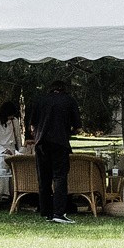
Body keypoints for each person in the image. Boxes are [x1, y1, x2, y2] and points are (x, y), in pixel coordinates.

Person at [31, 78, 80, 223]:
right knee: (59, 177)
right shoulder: (69, 101)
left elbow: (32, 125)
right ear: (64, 89)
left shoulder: (40, 100)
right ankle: (59, 212)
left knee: (44, 178)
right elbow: (77, 127)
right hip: (60, 143)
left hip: (41, 143)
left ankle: (46, 211)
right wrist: (67, 131)